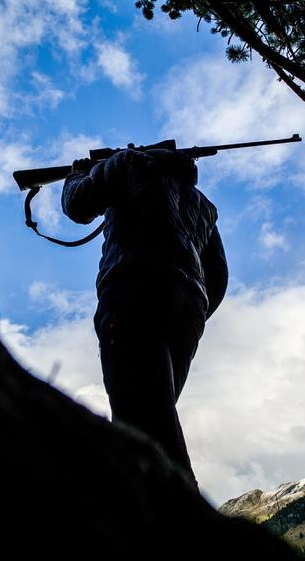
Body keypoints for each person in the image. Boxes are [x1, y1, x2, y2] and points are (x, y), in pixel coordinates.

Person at [62, 146, 228, 488]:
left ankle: (180, 522)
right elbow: (219, 275)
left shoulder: (127, 162)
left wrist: (77, 175)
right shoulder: (203, 205)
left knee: (142, 421)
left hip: (133, 290)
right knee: (148, 417)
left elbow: (78, 205)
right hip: (188, 310)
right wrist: (192, 310)